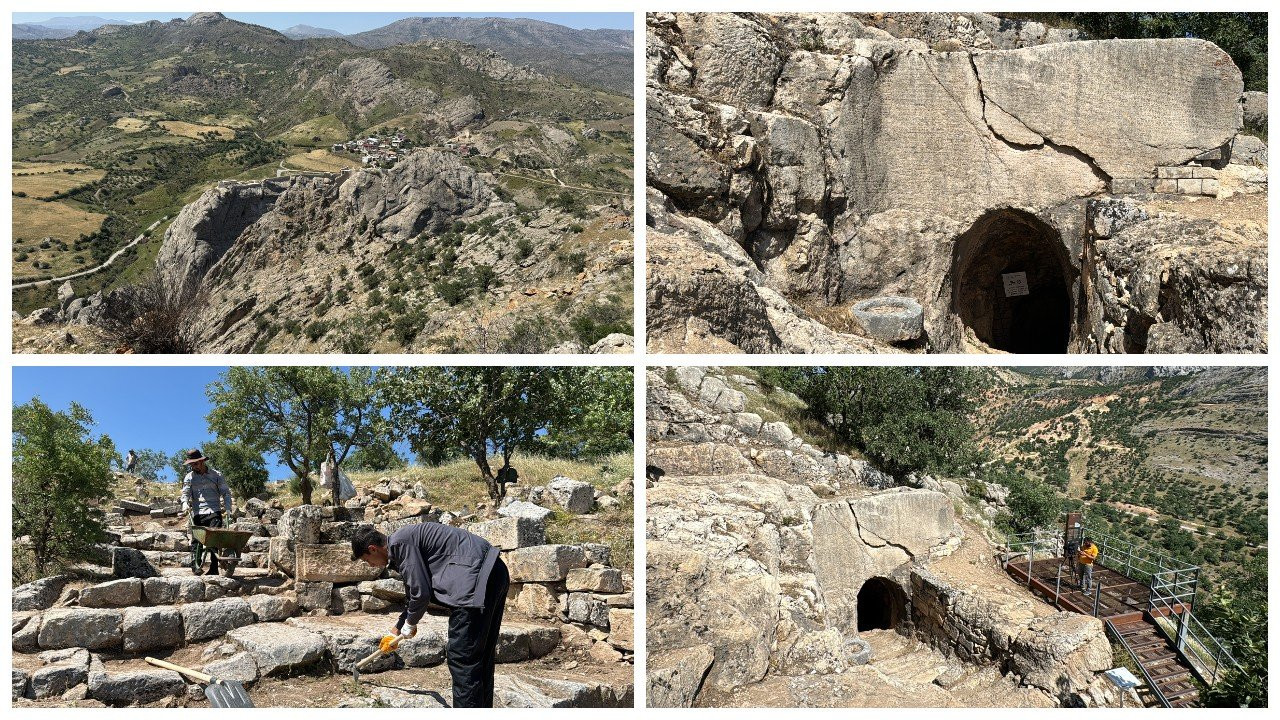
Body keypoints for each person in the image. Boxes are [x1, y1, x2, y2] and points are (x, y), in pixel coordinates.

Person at [352, 523, 509, 708]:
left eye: (366, 560)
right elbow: (414, 594)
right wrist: (395, 631)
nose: (370, 565)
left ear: (373, 549)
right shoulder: (403, 543)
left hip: (475, 582)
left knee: (463, 658)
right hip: (494, 572)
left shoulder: (401, 545)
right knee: (480, 658)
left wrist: (411, 623)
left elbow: (421, 593)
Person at [181, 449, 233, 576]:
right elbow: (185, 493)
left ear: (202, 461)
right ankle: (196, 567)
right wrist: (184, 503)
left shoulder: (216, 475)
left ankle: (214, 569)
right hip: (198, 513)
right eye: (191, 464)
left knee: (214, 541)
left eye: (196, 464)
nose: (194, 466)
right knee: (196, 541)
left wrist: (228, 508)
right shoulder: (189, 477)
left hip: (214, 512)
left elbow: (225, 493)